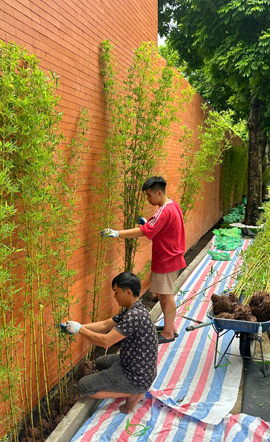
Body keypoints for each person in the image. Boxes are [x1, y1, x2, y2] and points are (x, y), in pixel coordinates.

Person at [100, 176, 186, 344]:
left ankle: (168, 332)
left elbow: (144, 231)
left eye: (149, 196)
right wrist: (149, 223)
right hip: (170, 256)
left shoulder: (164, 210)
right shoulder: (173, 205)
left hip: (167, 259)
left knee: (166, 296)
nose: (148, 200)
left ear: (159, 193)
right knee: (163, 295)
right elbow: (162, 229)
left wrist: (117, 233)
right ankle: (170, 327)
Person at [61, 272, 158, 414]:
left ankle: (133, 393)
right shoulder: (134, 309)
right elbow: (104, 325)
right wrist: (75, 327)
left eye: (116, 292)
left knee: (84, 386)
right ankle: (121, 384)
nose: (114, 296)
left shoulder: (134, 316)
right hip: (133, 363)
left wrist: (79, 329)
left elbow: (106, 342)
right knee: (101, 362)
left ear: (128, 292)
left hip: (137, 376)